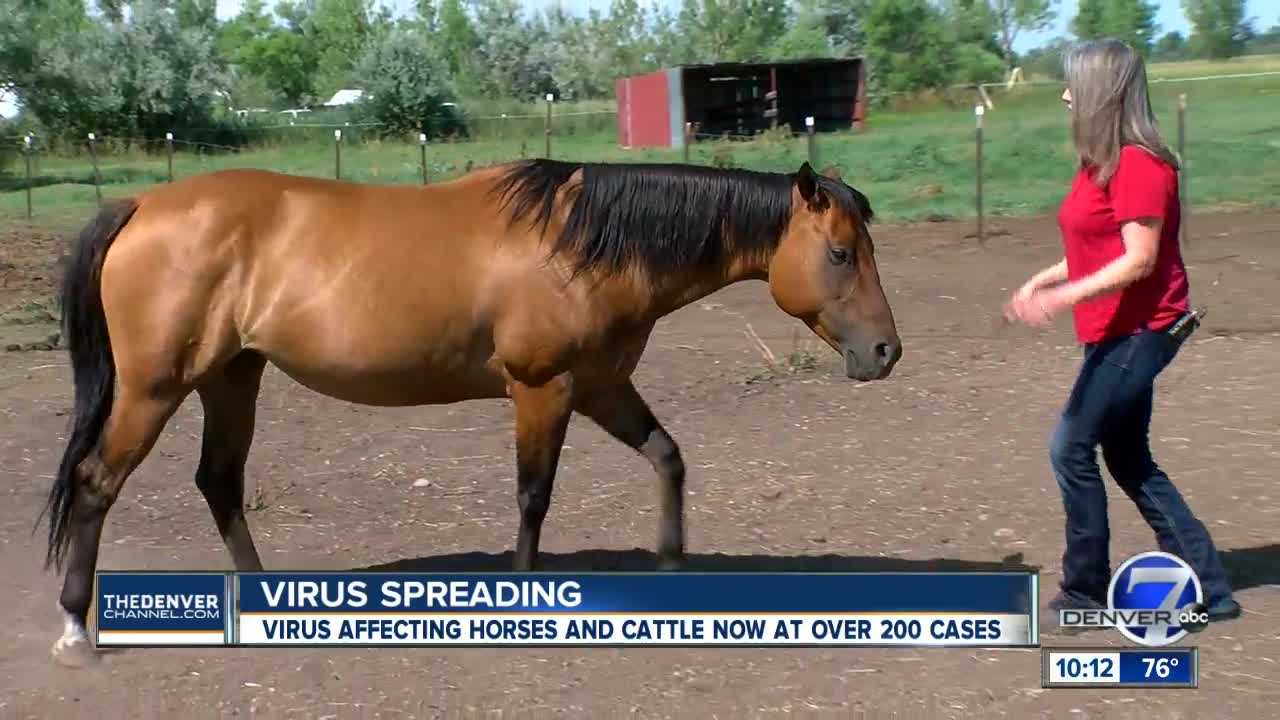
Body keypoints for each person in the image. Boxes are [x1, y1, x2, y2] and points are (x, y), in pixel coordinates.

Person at [1003, 38, 1241, 623]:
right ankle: (1210, 586)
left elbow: (1139, 259)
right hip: (1114, 330)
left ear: (1101, 95)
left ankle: (1084, 588)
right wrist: (1045, 278)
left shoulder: (1139, 164)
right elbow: (1096, 245)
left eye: (1072, 86)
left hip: (1143, 330)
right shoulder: (1102, 163)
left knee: (1070, 447)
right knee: (1128, 456)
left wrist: (1062, 297)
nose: (1063, 95)